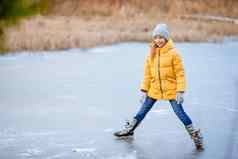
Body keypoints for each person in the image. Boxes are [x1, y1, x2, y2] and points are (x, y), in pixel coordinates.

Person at [113, 23, 204, 151]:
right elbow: (147, 74)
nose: (158, 40)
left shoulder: (174, 54)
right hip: (154, 88)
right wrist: (144, 90)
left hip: (171, 89)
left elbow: (180, 74)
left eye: (161, 37)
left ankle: (196, 136)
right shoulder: (151, 54)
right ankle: (129, 130)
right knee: (143, 110)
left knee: (180, 113)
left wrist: (180, 91)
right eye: (156, 37)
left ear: (166, 38)